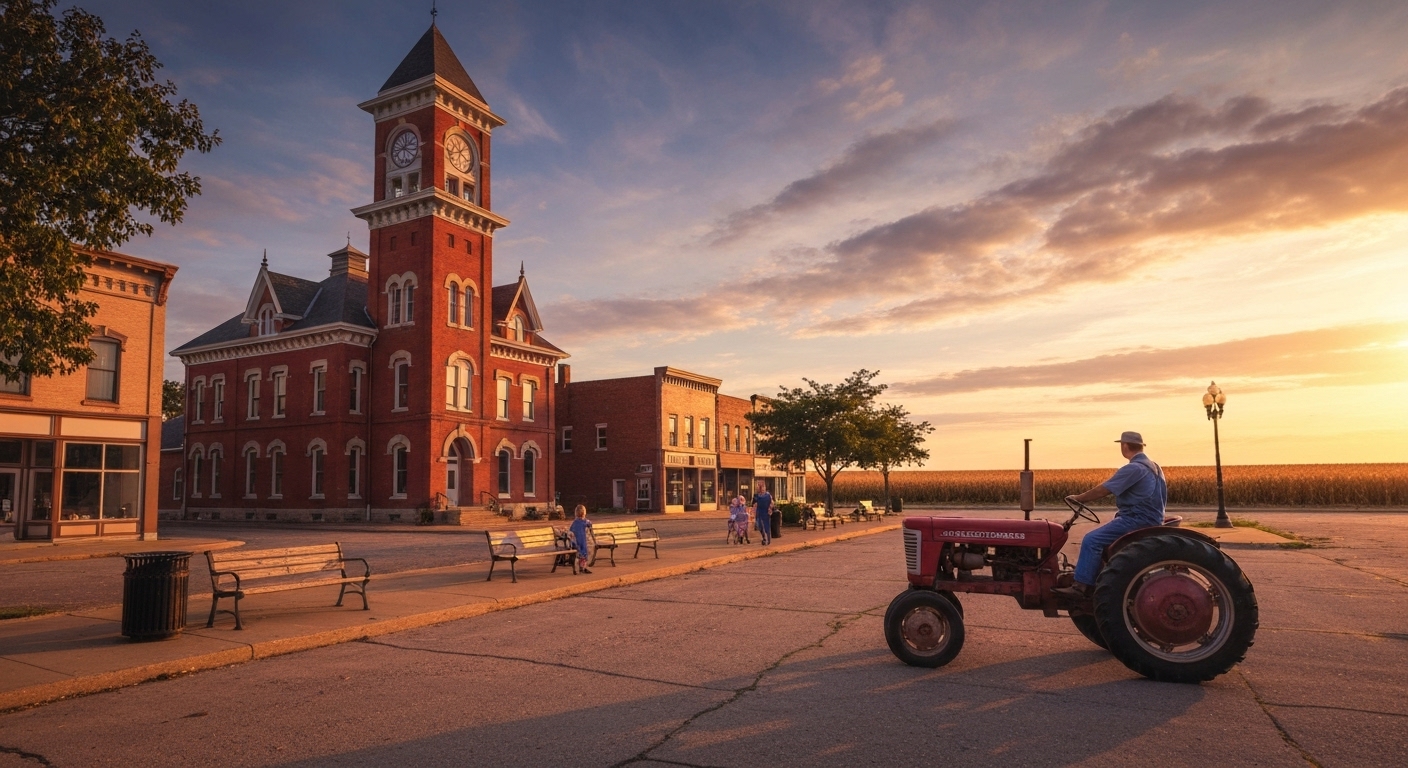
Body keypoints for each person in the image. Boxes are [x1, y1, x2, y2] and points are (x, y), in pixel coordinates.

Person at [1052, 431, 1168, 599]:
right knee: (1100, 539)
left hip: (1137, 519)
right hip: (1149, 518)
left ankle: (1081, 586)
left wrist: (1079, 498)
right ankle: (1094, 577)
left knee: (1092, 540)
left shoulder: (1134, 468)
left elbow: (1104, 489)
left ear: (1125, 446)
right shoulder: (1155, 467)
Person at [569, 504, 593, 574]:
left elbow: (571, 530)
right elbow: (590, 524)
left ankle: (581, 567)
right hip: (582, 540)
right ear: (584, 513)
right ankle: (583, 567)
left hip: (575, 542)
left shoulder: (575, 522)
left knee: (580, 553)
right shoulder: (585, 522)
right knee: (585, 552)